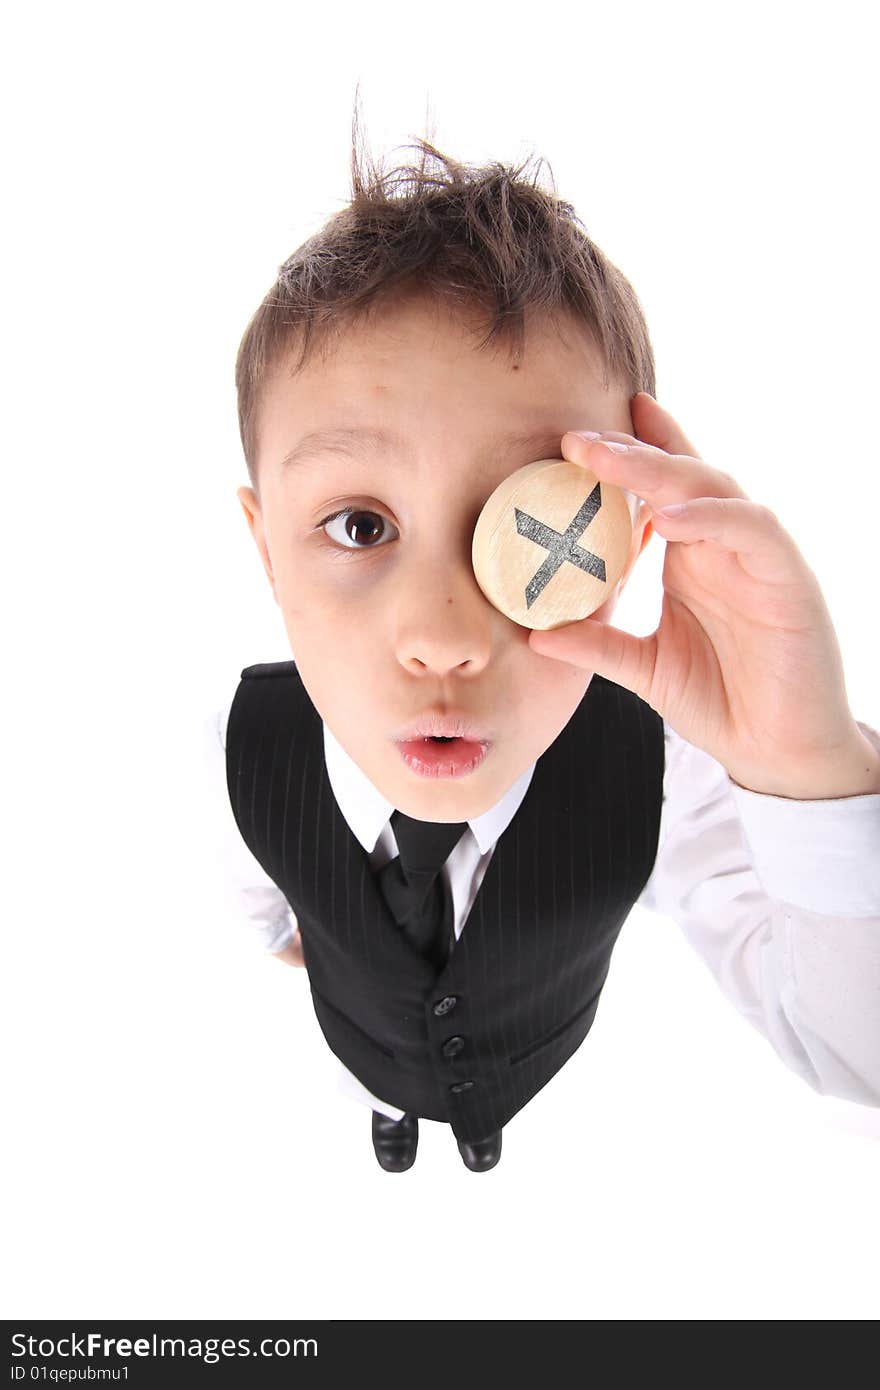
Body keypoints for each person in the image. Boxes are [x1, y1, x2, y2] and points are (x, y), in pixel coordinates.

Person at [206, 122, 880, 1173]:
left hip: (532, 1054)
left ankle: (477, 1135)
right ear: (268, 551)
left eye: (528, 530)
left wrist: (806, 764)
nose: (440, 638)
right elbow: (251, 872)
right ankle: (390, 1108)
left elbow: (857, 1054)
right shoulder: (236, 740)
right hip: (357, 1037)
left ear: (623, 548)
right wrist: (290, 939)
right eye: (359, 525)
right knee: (371, 1072)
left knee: (485, 1117)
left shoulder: (661, 767)